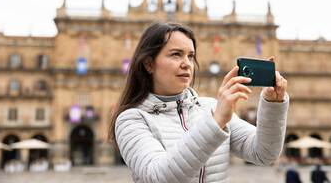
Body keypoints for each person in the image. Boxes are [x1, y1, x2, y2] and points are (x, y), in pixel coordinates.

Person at [108, 22, 289, 182]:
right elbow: (159, 177)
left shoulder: (210, 108)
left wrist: (272, 105)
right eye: (176, 54)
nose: (187, 63)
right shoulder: (130, 120)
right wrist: (215, 122)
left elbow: (264, 153)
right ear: (149, 64)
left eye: (191, 56)